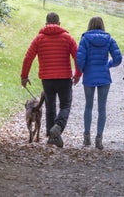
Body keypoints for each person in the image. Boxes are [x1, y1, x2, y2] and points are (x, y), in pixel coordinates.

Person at [21, 12, 82, 148]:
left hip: (47, 79)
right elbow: (78, 56)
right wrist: (78, 73)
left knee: (50, 106)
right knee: (65, 105)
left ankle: (50, 134)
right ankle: (58, 127)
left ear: (46, 24)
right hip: (64, 78)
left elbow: (28, 58)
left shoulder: (39, 39)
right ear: (59, 23)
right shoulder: (67, 38)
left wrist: (24, 77)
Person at [76, 17, 122, 150]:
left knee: (88, 106)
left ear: (89, 25)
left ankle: (86, 137)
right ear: (102, 25)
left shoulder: (85, 39)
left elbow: (79, 60)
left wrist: (85, 69)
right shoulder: (109, 39)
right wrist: (108, 65)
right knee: (102, 108)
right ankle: (99, 138)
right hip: (104, 76)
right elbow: (118, 58)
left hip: (89, 76)